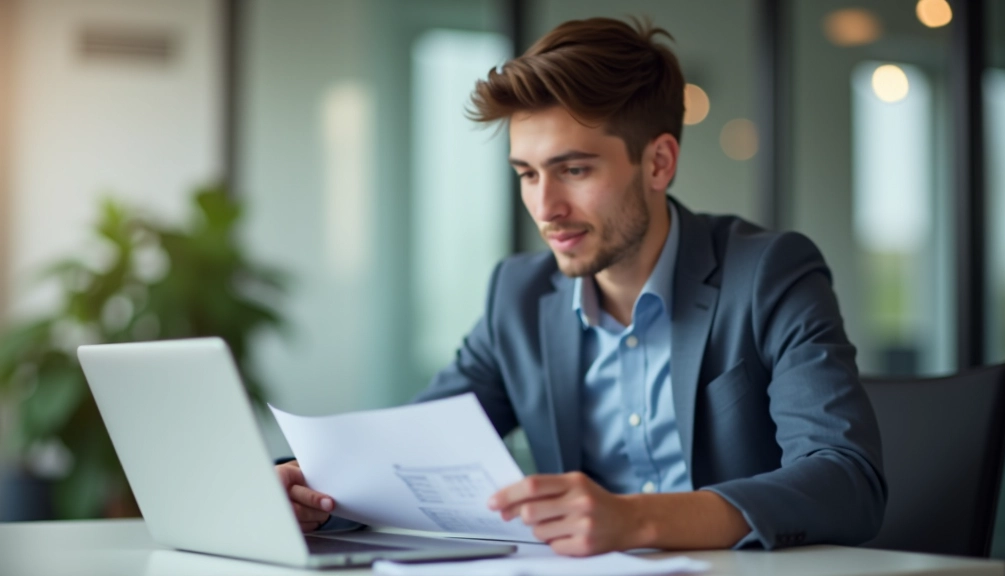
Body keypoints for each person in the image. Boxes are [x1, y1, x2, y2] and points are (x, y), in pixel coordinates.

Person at [276, 16, 886, 556]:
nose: (546, 208)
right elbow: (410, 460)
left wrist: (637, 520)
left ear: (658, 163)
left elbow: (846, 477)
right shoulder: (517, 295)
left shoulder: (770, 273)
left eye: (574, 169)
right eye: (527, 174)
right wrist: (310, 488)